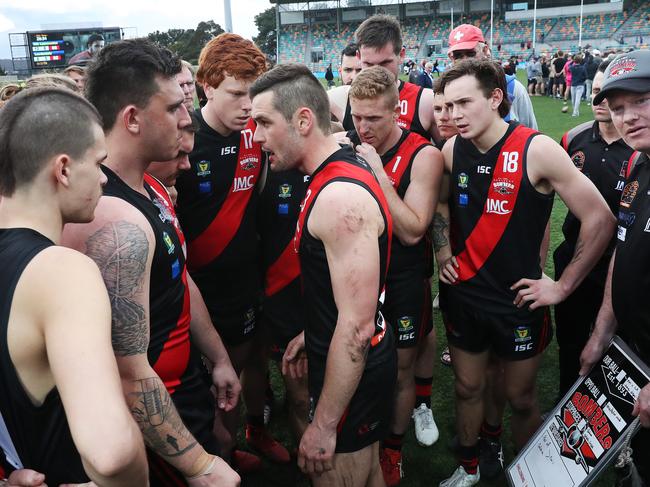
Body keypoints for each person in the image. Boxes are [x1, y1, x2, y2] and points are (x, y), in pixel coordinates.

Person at [60, 38, 241, 486]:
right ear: (132, 119)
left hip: (184, 386)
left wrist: (217, 357)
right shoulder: (105, 214)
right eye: (175, 107)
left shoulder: (152, 186)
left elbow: (180, 281)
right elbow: (125, 369)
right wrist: (197, 467)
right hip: (155, 412)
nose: (186, 118)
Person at [437, 59, 615, 486]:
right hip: (463, 297)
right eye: (446, 105)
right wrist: (443, 248)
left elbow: (600, 218)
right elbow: (441, 203)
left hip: (519, 302)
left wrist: (563, 285)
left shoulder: (536, 149)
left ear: (496, 98)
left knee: (519, 398)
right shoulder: (449, 150)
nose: (453, 115)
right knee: (466, 389)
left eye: (464, 103)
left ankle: (541, 476)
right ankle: (470, 467)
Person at [250, 62, 397, 487]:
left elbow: (355, 328)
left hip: (355, 372)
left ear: (302, 120)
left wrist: (324, 425)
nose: (256, 138)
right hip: (355, 360)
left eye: (264, 122)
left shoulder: (337, 198)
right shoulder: (330, 172)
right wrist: (313, 332)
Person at [0, 87, 147, 484]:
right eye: (99, 163)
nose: (103, 178)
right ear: (63, 169)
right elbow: (110, 451)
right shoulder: (62, 272)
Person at [174, 33, 290, 470]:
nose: (247, 105)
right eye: (236, 93)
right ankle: (214, 455)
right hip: (200, 292)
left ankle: (254, 432)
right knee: (215, 381)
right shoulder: (183, 139)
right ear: (206, 86)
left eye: (253, 94)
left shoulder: (256, 134)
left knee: (255, 361)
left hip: (252, 281)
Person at [346, 66, 443, 486]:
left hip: (403, 279)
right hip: (358, 277)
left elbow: (412, 228)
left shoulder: (424, 154)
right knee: (358, 363)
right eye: (357, 117)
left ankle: (392, 450)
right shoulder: (346, 142)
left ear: (396, 113)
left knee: (400, 371)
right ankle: (362, 438)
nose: (363, 127)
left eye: (374, 118)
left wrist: (378, 173)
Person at [581, 49, 650, 485]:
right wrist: (602, 331)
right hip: (634, 351)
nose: (626, 117)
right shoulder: (639, 166)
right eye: (618, 107)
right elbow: (622, 253)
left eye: (640, 102)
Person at [554, 59, 634, 397]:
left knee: (614, 347)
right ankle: (563, 404)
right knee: (570, 339)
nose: (600, 101)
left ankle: (604, 415)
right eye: (597, 92)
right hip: (575, 257)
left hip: (619, 265)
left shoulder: (638, 149)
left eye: (608, 94)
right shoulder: (572, 138)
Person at [328, 14, 438, 141]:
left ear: (401, 55)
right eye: (368, 64)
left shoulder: (425, 101)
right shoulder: (342, 96)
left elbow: (450, 154)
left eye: (385, 63)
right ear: (358, 57)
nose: (377, 71)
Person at [446, 24, 538, 130]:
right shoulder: (446, 93)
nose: (465, 60)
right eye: (458, 56)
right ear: (451, 58)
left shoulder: (512, 88)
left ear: (485, 50)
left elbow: (531, 135)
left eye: (471, 53)